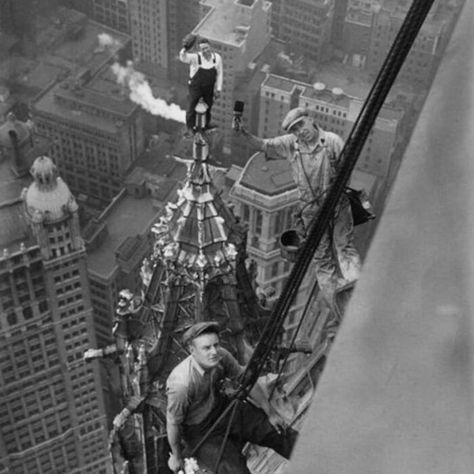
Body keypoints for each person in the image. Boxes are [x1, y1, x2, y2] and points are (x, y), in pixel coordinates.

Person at [236, 107, 361, 300]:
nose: (300, 131)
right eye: (295, 129)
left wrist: (336, 192)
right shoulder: (291, 145)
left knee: (343, 246)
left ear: (311, 119)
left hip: (336, 204)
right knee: (322, 260)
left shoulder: (332, 142)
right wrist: (244, 133)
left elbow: (347, 171)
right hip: (310, 211)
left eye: (301, 124)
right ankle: (337, 302)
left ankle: (357, 290)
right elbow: (263, 145)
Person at [166, 321, 297, 473]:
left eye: (216, 345)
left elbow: (246, 380)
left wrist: (271, 413)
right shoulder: (181, 384)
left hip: (225, 409)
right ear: (192, 350)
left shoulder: (221, 355)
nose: (214, 351)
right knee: (233, 471)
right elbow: (173, 423)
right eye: (207, 348)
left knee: (279, 433)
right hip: (201, 431)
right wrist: (176, 456)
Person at [179, 35, 223, 134]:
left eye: (206, 48)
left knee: (208, 105)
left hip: (209, 86)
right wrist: (185, 49)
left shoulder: (217, 58)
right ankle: (190, 127)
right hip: (196, 86)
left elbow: (220, 74)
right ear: (200, 49)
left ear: (210, 47)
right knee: (192, 105)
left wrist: (219, 89)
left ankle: (206, 125)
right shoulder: (195, 57)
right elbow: (183, 58)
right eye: (202, 49)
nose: (205, 50)